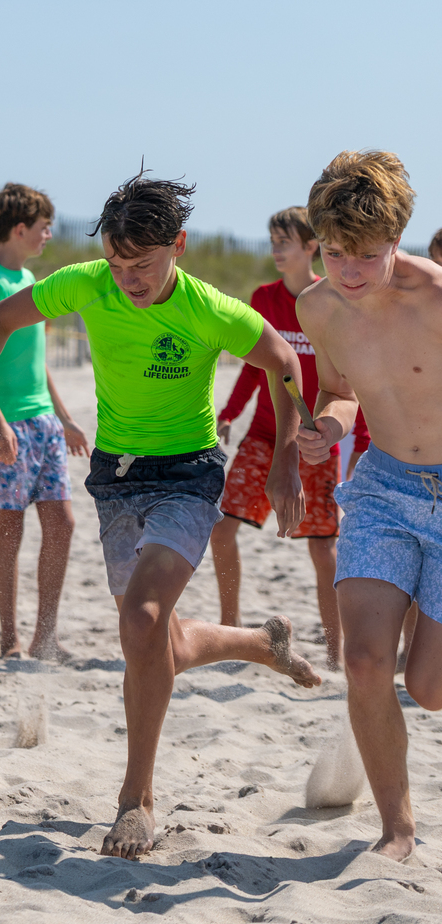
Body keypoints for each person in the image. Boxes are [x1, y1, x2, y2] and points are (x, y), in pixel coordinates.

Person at [0, 170, 322, 860]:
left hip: (188, 477)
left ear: (178, 245)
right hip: (115, 480)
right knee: (153, 641)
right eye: (116, 262)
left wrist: (287, 458)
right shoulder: (88, 283)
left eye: (141, 264)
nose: (128, 279)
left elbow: (284, 360)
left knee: (140, 623)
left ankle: (136, 799)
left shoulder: (208, 309)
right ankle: (261, 644)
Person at [295, 150, 442, 862]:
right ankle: (397, 830)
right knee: (362, 662)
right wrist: (327, 426)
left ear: (397, 239)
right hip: (383, 489)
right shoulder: (317, 305)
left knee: (430, 688)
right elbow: (338, 390)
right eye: (334, 253)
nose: (348, 271)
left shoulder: (437, 297)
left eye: (366, 255)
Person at [211, 207, 342, 670]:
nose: (275, 250)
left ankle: (335, 650)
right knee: (222, 529)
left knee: (323, 547)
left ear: (311, 246)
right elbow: (255, 367)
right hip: (264, 434)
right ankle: (230, 627)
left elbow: (347, 381)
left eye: (284, 241)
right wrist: (229, 413)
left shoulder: (331, 298)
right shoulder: (262, 298)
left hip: (316, 439)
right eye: (272, 241)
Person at [0, 185, 87, 661]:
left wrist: (65, 418)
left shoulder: (31, 278)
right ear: (20, 229)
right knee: (9, 529)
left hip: (43, 423)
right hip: (6, 425)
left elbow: (37, 361)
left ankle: (45, 636)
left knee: (62, 524)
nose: (48, 235)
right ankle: (9, 638)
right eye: (43, 227)